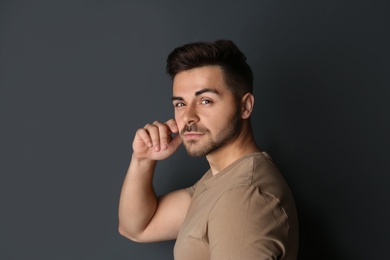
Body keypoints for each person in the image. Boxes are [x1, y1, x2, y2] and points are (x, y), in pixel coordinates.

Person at [118, 40, 299, 259]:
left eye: (205, 100)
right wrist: (143, 160)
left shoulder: (244, 196)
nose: (188, 117)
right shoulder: (219, 180)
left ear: (245, 106)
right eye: (180, 104)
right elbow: (137, 228)